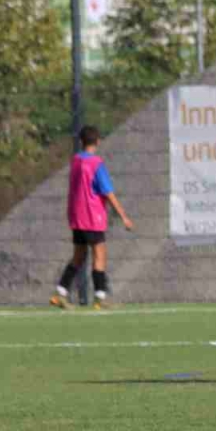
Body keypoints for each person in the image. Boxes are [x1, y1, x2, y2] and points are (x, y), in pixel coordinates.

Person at [51, 125, 133, 309]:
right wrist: (123, 216)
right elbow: (107, 192)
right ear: (98, 142)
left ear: (81, 141)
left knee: (78, 255)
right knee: (99, 254)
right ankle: (100, 297)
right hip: (92, 216)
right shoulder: (96, 164)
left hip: (76, 215)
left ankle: (60, 293)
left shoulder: (75, 161)